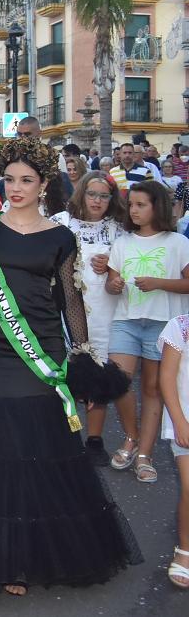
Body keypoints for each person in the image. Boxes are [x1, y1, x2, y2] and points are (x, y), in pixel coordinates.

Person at [0, 138, 141, 596]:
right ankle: (6, 558)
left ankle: (37, 552)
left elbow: (69, 297)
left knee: (40, 446)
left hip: (42, 348)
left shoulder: (61, 236)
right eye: (10, 180)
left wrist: (79, 350)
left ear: (43, 186)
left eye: (27, 181)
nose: (16, 188)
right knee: (2, 443)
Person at [104, 180, 189, 485]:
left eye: (141, 204)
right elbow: (112, 282)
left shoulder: (178, 243)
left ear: (158, 207)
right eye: (132, 204)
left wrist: (159, 283)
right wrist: (112, 284)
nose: (134, 210)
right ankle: (131, 436)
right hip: (126, 320)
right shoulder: (124, 242)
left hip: (163, 324)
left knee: (153, 390)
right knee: (117, 382)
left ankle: (145, 454)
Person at [50, 172, 126, 465]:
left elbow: (127, 268)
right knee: (60, 373)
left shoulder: (118, 230)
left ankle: (94, 439)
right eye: (92, 194)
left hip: (105, 309)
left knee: (98, 373)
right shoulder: (60, 223)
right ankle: (60, 437)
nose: (97, 201)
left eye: (104, 196)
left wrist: (112, 267)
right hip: (64, 309)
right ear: (81, 194)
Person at [158, 314, 189, 588]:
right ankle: (185, 548)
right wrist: (179, 421)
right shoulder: (180, 327)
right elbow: (166, 378)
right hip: (187, 420)